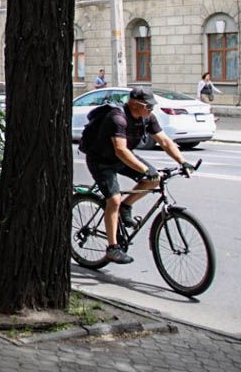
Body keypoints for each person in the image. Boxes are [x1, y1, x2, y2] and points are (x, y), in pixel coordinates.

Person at [81, 87, 195, 265]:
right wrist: (144, 169)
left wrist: (183, 162)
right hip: (101, 160)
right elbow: (120, 150)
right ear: (134, 104)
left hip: (122, 158)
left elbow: (165, 141)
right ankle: (112, 248)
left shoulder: (147, 118)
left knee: (154, 180)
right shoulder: (117, 118)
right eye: (148, 106)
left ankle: (126, 206)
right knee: (114, 200)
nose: (151, 109)